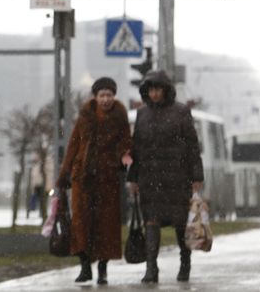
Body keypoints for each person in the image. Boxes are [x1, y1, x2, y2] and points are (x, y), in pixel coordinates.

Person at [127, 70, 204, 284]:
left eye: (158, 89)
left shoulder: (181, 112)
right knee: (151, 223)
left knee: (180, 224)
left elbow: (192, 145)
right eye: (150, 90)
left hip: (177, 179)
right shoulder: (142, 114)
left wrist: (196, 176)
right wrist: (133, 178)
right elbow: (136, 147)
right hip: (150, 179)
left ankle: (185, 262)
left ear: (166, 89)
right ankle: (151, 268)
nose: (154, 94)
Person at [55, 77, 132, 285]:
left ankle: (102, 269)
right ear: (95, 97)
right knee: (81, 223)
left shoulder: (120, 117)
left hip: (108, 180)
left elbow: (127, 143)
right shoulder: (85, 117)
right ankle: (84, 267)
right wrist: (64, 175)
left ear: (114, 96)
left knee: (106, 227)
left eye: (109, 95)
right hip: (83, 178)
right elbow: (73, 145)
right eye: (102, 95)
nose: (105, 99)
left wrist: (123, 157)